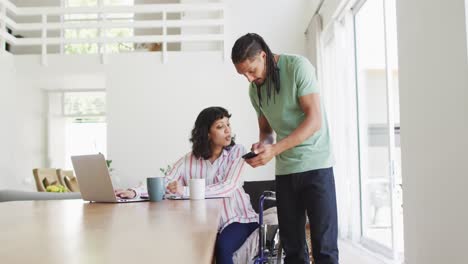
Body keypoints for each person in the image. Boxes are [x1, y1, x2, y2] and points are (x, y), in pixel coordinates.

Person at [231, 33, 339, 264]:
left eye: (251, 70)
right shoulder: (255, 90)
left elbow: (314, 120)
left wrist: (275, 149)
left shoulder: (298, 67)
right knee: (292, 248)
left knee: (324, 247)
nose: (249, 79)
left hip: (316, 165)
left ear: (263, 55)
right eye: (243, 74)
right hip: (286, 171)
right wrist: (264, 146)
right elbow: (267, 131)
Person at [115, 106, 258, 264]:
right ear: (207, 133)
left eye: (228, 124)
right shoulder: (190, 159)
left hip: (239, 218)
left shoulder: (237, 152)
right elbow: (166, 181)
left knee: (223, 248)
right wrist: (133, 192)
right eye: (220, 126)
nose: (227, 130)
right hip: (206, 223)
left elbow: (229, 186)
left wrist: (186, 191)